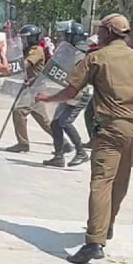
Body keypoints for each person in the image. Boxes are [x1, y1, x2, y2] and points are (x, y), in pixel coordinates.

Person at [36, 14, 133, 264]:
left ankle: (94, 242)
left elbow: (72, 91)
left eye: (101, 30)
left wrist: (48, 98)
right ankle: (108, 225)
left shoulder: (95, 58)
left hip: (112, 128)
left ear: (107, 32)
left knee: (101, 182)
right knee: (120, 182)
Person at [3, 24, 67, 153]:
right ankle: (63, 143)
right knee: (43, 120)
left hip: (35, 88)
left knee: (19, 111)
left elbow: (25, 64)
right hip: (33, 87)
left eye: (25, 38)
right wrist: (8, 33)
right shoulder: (27, 49)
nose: (23, 41)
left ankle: (23, 143)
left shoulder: (36, 50)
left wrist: (9, 67)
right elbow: (13, 48)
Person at [43, 21, 93, 168]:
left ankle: (81, 152)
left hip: (79, 93)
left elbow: (79, 78)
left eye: (67, 35)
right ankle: (58, 156)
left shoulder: (81, 55)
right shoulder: (72, 51)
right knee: (55, 124)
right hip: (70, 91)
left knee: (65, 122)